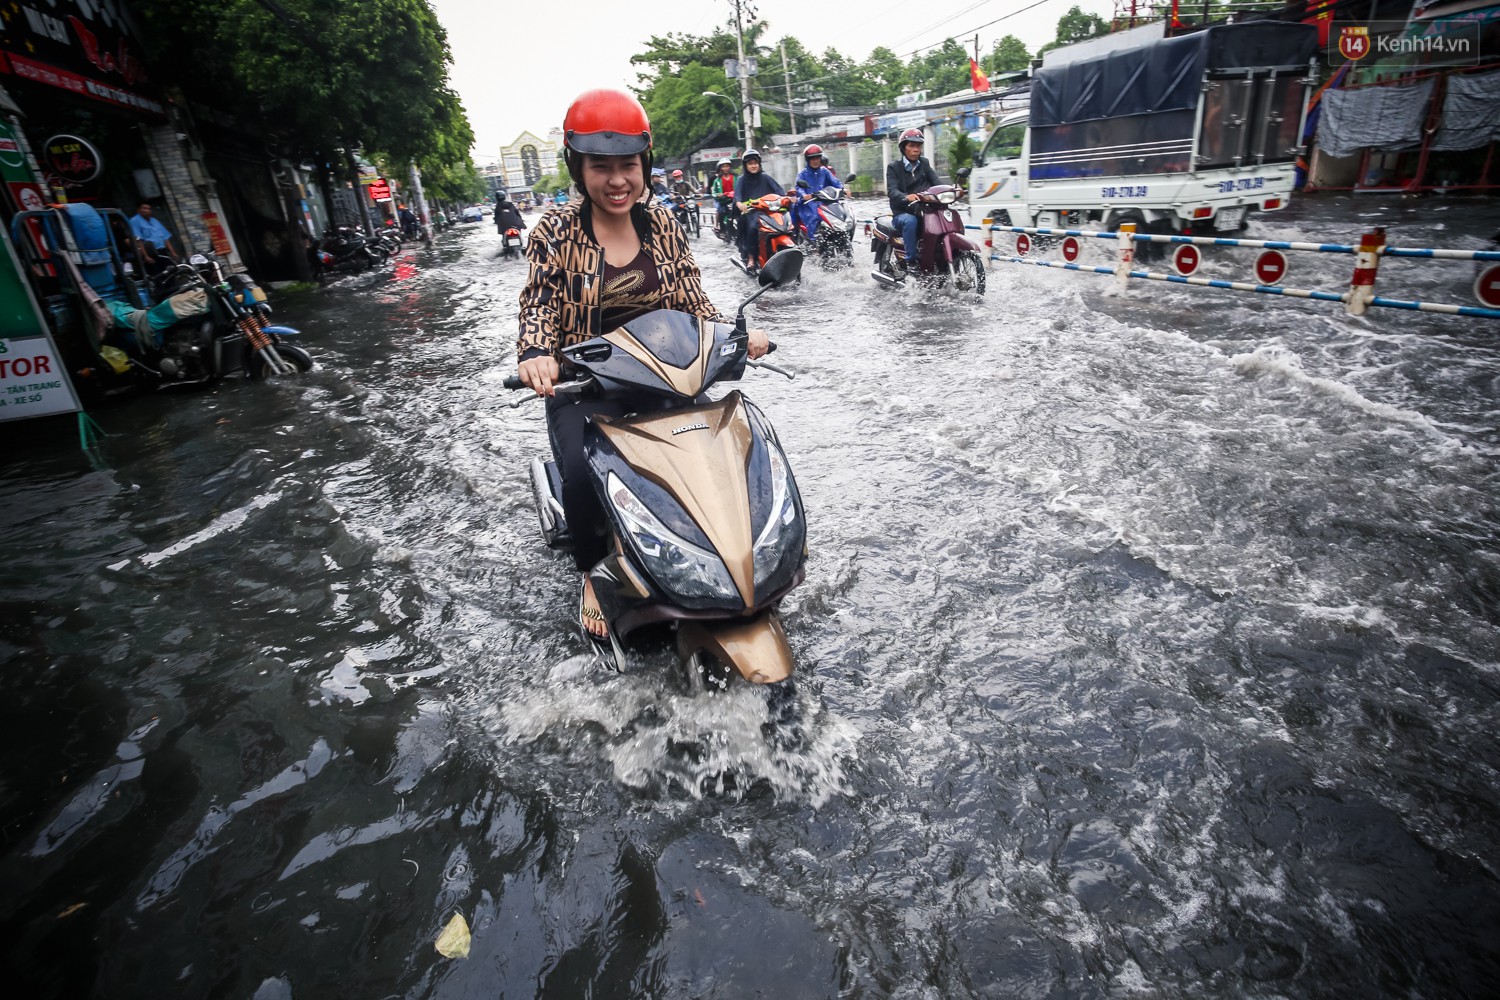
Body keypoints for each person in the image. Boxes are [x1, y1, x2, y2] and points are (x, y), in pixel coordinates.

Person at [516, 88, 770, 639]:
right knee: (583, 474)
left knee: (724, 447)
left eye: (627, 165)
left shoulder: (664, 225)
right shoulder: (554, 233)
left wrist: (737, 334)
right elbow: (537, 302)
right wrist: (537, 352)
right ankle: (592, 572)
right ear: (578, 168)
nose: (616, 180)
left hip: (666, 378)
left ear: (644, 165)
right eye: (600, 167)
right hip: (585, 386)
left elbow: (693, 301)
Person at [886, 127, 940, 273]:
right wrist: (905, 197)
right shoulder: (894, 167)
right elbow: (892, 190)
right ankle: (912, 261)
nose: (916, 149)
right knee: (911, 221)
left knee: (946, 216)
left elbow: (937, 183)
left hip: (924, 208)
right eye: (912, 146)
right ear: (904, 148)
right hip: (902, 212)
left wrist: (953, 190)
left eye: (918, 146)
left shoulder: (924, 163)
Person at [734, 148, 785, 272]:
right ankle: (751, 257)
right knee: (753, 227)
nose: (753, 166)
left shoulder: (766, 177)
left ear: (759, 164)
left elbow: (780, 192)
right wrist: (740, 205)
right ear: (745, 165)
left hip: (768, 211)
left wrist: (786, 198)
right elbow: (738, 198)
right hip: (750, 212)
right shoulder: (741, 180)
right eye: (750, 163)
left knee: (784, 223)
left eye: (755, 163)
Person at [792, 143, 842, 242]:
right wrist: (804, 195)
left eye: (817, 158)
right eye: (812, 159)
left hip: (825, 203)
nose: (815, 161)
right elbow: (798, 187)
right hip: (808, 204)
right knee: (813, 216)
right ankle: (813, 241)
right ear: (808, 160)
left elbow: (835, 182)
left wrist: (843, 189)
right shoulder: (802, 174)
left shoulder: (825, 171)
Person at [709, 157, 736, 236]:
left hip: (735, 201)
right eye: (723, 166)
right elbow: (713, 191)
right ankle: (722, 229)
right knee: (720, 212)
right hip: (724, 202)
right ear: (720, 168)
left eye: (727, 166)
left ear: (729, 167)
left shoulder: (735, 177)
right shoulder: (717, 180)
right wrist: (717, 195)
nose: (725, 168)